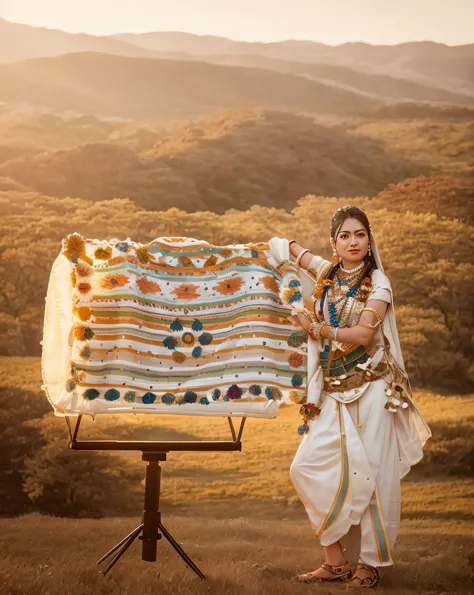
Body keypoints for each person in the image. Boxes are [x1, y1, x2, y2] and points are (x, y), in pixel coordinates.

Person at [268, 205, 431, 588]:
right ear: (334, 242)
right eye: (345, 235)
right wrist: (276, 248)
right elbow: (295, 252)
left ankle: (369, 565)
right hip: (333, 392)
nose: (353, 241)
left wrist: (315, 328)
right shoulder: (328, 273)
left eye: (360, 234)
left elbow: (363, 335)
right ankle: (336, 559)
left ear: (369, 238)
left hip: (373, 389)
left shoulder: (379, 284)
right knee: (305, 468)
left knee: (373, 475)